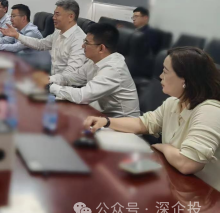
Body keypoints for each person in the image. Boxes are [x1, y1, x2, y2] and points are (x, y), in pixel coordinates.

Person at [84, 47, 220, 183]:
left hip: (204, 189)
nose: (160, 76)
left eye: (165, 71)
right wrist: (106, 122)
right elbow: (143, 123)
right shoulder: (174, 103)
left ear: (184, 80)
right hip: (176, 179)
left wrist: (164, 147)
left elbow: (188, 164)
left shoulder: (210, 111)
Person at [34, 23, 140, 118]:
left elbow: (82, 96)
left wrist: (50, 87)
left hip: (123, 125)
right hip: (101, 116)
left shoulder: (114, 69)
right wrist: (49, 79)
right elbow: (71, 78)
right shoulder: (94, 61)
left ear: (101, 48)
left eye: (86, 43)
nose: (82, 46)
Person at [0, 0, 86, 76]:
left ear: (70, 17)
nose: (53, 18)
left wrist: (47, 81)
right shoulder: (58, 33)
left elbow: (70, 73)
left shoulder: (79, 40)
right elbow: (40, 44)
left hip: (64, 85)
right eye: (54, 14)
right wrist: (17, 35)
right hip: (52, 78)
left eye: (57, 14)